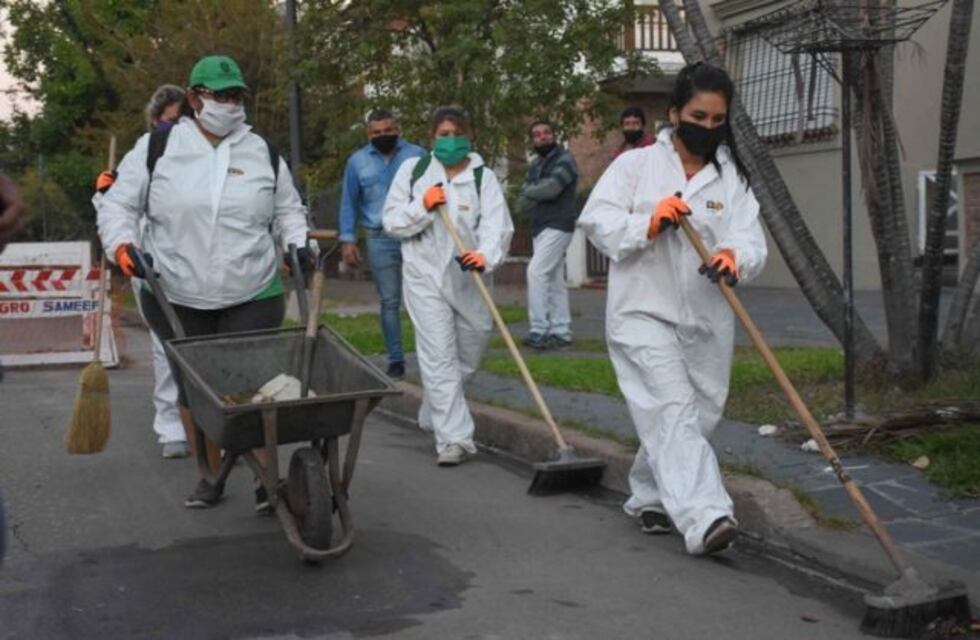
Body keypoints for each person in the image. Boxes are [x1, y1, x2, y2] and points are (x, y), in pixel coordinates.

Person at [97, 55, 312, 509]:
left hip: (253, 289)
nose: (231, 105)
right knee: (198, 393)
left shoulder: (262, 151)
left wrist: (298, 243)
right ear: (195, 98)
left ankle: (263, 479)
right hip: (176, 292)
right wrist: (121, 245)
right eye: (221, 96)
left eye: (237, 96)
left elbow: (288, 211)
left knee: (255, 387)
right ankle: (210, 473)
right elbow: (118, 206)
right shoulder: (157, 147)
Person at [578, 62, 767, 555]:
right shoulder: (635, 166)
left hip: (707, 317)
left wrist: (734, 257)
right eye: (697, 116)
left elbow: (751, 240)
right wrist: (649, 221)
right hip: (642, 311)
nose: (706, 128)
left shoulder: (732, 180)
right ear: (675, 112)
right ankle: (707, 517)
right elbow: (597, 221)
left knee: (698, 413)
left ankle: (650, 494)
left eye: (717, 120)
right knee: (672, 408)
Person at [383, 106, 513, 466]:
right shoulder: (415, 172)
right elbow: (391, 221)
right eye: (443, 134)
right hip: (424, 277)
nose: (450, 140)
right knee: (438, 357)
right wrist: (422, 207)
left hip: (469, 279)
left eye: (457, 133)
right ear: (431, 138)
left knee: (469, 353)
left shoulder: (482, 178)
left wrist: (484, 256)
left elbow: (498, 227)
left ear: (469, 137)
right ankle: (454, 439)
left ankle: (434, 411)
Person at [94, 84, 191, 459]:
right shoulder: (147, 151)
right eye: (171, 121)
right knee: (164, 347)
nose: (179, 126)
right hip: (150, 264)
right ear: (155, 121)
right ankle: (171, 428)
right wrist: (103, 191)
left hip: (199, 266)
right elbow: (116, 211)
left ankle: (209, 423)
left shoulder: (204, 154)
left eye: (186, 118)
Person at [338, 109, 425, 379]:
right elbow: (349, 202)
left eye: (388, 130)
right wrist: (348, 240)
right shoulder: (357, 162)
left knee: (424, 298)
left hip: (416, 235)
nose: (383, 135)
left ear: (398, 129)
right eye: (377, 132)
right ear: (368, 134)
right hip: (379, 238)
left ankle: (430, 356)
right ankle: (396, 359)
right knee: (389, 301)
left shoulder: (418, 156)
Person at [516, 118, 579, 350]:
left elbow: (552, 189)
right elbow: (521, 204)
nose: (542, 137)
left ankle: (539, 329)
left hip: (559, 224)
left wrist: (530, 191)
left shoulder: (566, 160)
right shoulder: (535, 166)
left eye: (546, 133)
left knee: (536, 272)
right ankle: (562, 332)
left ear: (554, 135)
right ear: (532, 140)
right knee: (554, 280)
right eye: (537, 134)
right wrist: (532, 193)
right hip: (540, 226)